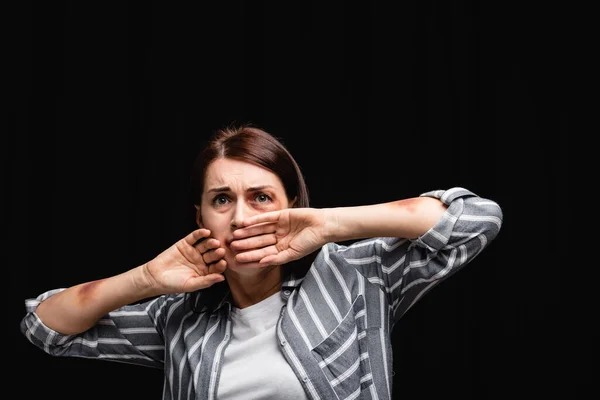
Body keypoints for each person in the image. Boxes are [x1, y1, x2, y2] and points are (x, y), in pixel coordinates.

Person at [21, 123, 503, 400]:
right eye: (222, 200)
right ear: (201, 216)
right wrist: (147, 278)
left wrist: (330, 224)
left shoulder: (354, 277)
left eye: (261, 197)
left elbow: (475, 219)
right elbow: (45, 326)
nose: (242, 217)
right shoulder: (179, 318)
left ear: (292, 203)